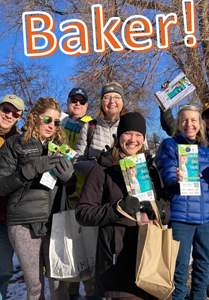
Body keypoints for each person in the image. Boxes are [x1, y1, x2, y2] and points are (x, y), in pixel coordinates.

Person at [75, 112, 171, 299]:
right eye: (128, 133)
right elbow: (83, 212)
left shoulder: (149, 167)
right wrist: (116, 209)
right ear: (119, 135)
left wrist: (161, 210)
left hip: (151, 259)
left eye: (138, 135)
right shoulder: (104, 166)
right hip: (116, 262)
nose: (133, 140)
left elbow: (166, 206)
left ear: (143, 139)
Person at [0, 97, 76, 300]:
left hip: (55, 223)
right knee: (34, 287)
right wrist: (30, 170)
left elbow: (69, 189)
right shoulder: (15, 144)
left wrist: (70, 179)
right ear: (34, 118)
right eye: (47, 120)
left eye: (57, 122)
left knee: (59, 284)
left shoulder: (61, 147)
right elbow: (1, 186)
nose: (52, 126)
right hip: (23, 224)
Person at [155, 105, 209, 300]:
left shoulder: (207, 151)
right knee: (179, 267)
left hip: (207, 219)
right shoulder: (169, 145)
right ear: (178, 124)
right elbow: (168, 181)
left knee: (203, 267)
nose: (189, 124)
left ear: (200, 124)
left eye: (193, 120)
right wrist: (177, 182)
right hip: (181, 217)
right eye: (184, 120)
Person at [61, 88, 100, 300]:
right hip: (59, 194)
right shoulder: (58, 123)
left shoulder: (91, 124)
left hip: (83, 194)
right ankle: (71, 292)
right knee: (66, 244)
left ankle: (92, 291)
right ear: (67, 102)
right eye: (74, 100)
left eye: (82, 101)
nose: (77, 103)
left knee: (87, 245)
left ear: (87, 105)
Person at [73, 82, 128, 177]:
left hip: (124, 188)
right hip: (97, 188)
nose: (112, 101)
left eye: (117, 97)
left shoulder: (131, 125)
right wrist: (98, 165)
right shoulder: (89, 127)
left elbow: (143, 158)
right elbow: (77, 163)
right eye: (107, 97)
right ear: (102, 103)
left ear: (122, 102)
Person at [0, 94, 25, 300]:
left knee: (4, 270)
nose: (9, 115)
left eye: (14, 113)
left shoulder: (19, 142)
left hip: (5, 217)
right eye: (5, 109)